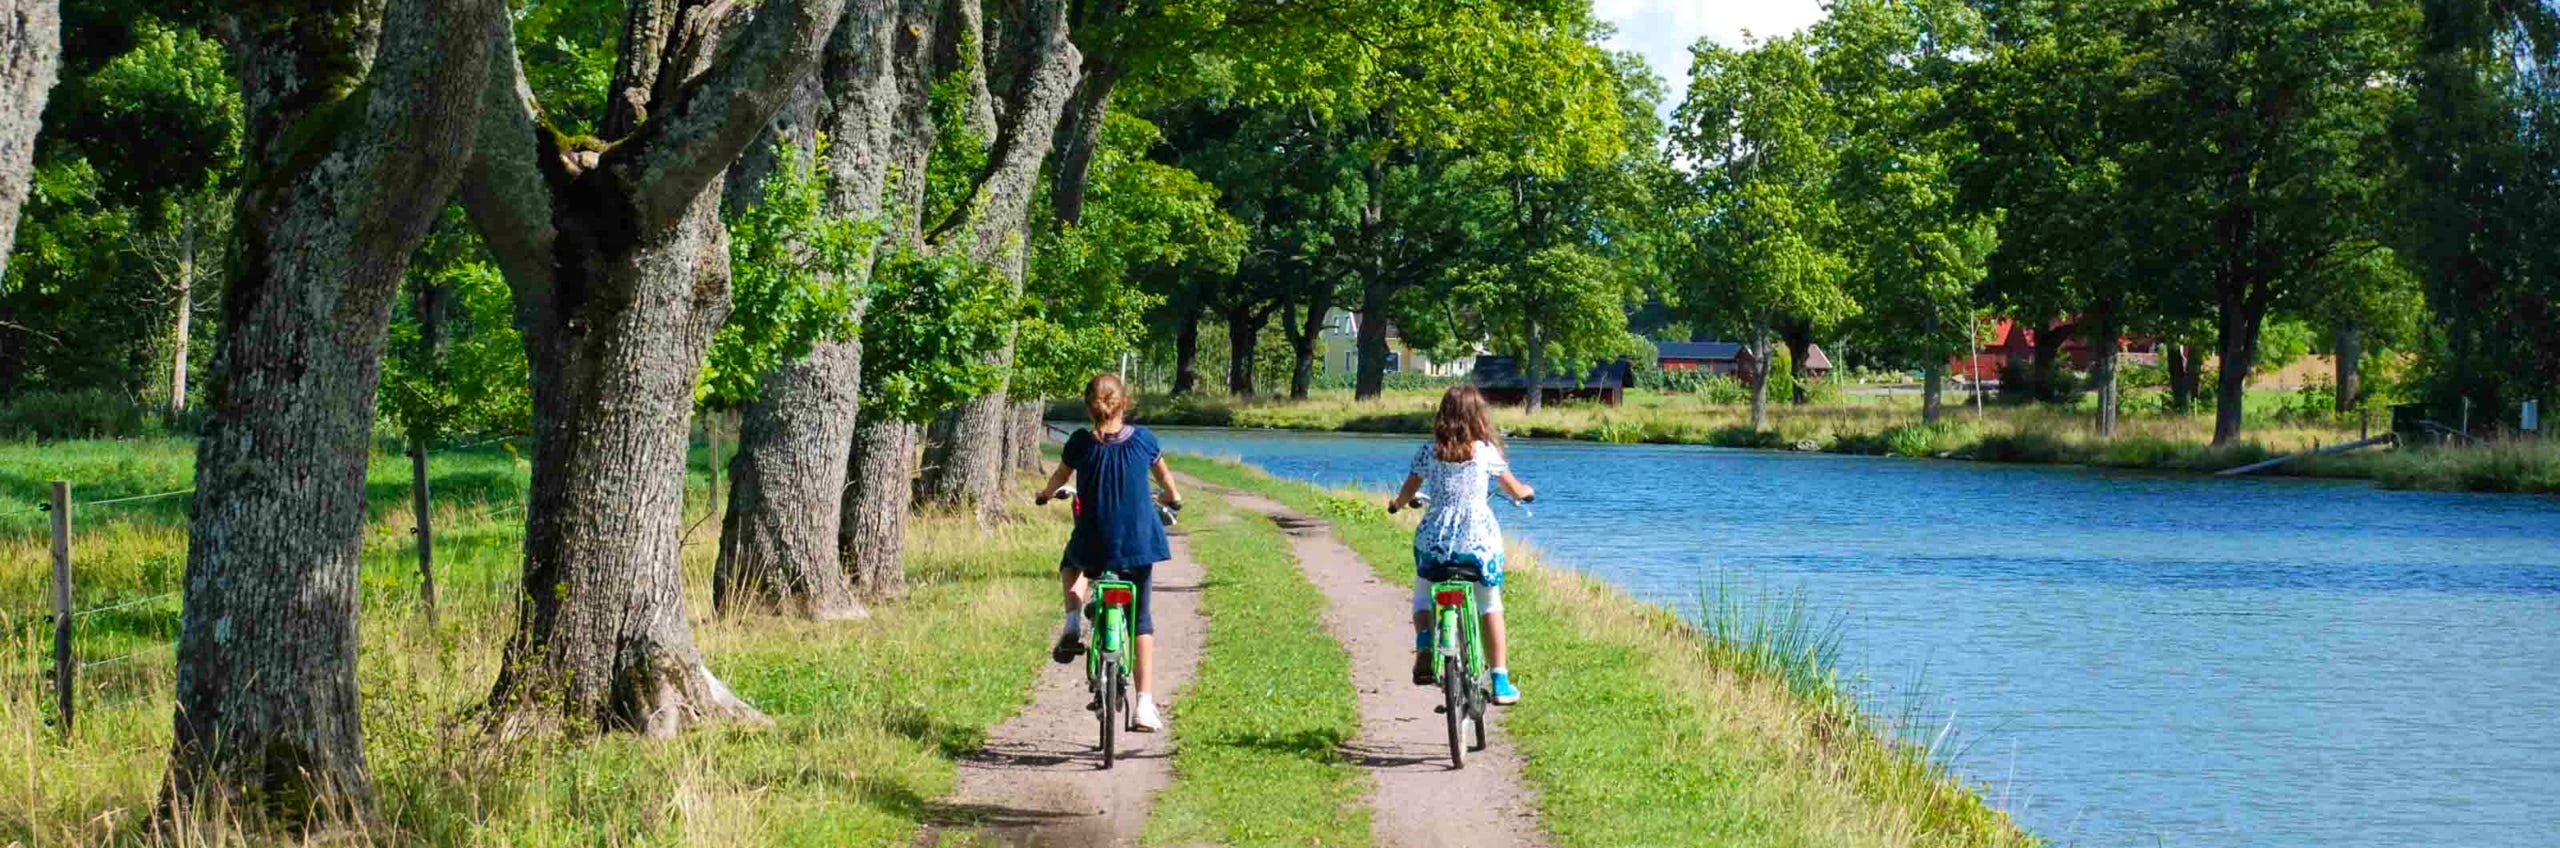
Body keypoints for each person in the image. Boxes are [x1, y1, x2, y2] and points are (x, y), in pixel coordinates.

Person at [1037, 373, 1183, 732]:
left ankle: (1073, 619)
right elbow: (1165, 481)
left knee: (1073, 565)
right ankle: (1144, 705)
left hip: (1094, 540)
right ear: (1124, 402)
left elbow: (1059, 476)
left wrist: (1044, 494)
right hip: (1138, 542)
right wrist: (1173, 499)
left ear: (1089, 406)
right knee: (1142, 620)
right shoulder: (1145, 441)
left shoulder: (1081, 444)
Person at [1386, 384, 1534, 705]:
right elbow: (1513, 488)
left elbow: (1408, 491)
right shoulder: (1485, 452)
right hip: (1477, 545)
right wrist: (1525, 491)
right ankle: (1500, 679)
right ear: (1479, 417)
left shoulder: (1428, 451)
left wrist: (1397, 504)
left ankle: (1425, 642)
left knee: (1423, 595)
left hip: (1435, 542)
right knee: (1490, 603)